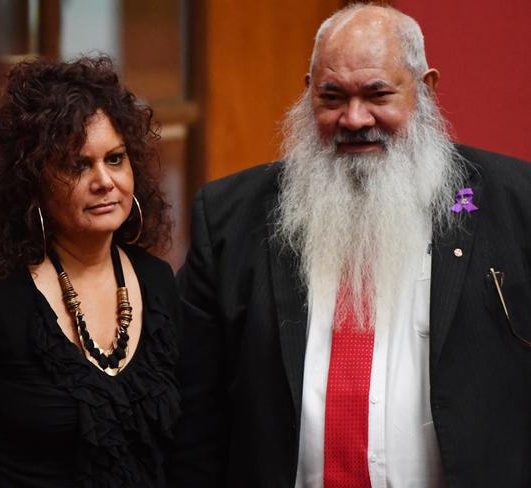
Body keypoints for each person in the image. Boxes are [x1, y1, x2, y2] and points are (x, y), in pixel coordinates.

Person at [168, 4, 531, 488]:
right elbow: (195, 419)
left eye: (378, 94)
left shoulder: (515, 203)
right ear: (307, 94)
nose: (355, 118)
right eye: (332, 97)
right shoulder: (232, 217)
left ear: (426, 90)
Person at [0, 56, 181, 487]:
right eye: (78, 165)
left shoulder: (156, 280)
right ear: (30, 181)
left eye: (115, 159)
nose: (104, 181)